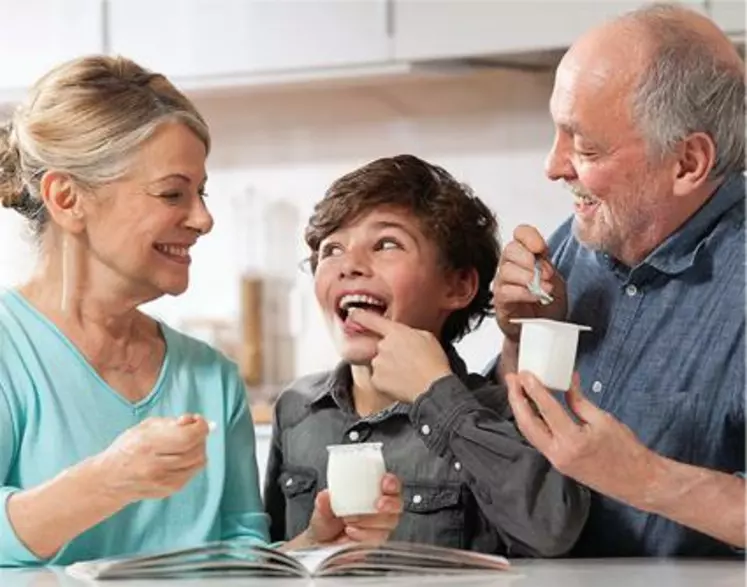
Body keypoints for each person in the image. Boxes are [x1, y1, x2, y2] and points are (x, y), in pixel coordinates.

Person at [0, 55, 401, 568]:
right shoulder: (11, 351)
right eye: (173, 193)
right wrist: (106, 481)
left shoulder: (210, 377)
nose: (203, 219)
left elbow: (236, 565)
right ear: (67, 197)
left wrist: (316, 550)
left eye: (200, 193)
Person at [490, 4, 745, 556]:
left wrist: (646, 479)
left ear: (687, 163)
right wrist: (518, 338)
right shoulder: (576, 239)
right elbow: (511, 451)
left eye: (584, 147)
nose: (553, 167)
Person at [264, 154, 589, 557]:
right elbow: (273, 564)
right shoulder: (296, 409)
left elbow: (552, 531)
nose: (348, 265)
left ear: (458, 286)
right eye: (331, 250)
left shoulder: (502, 412)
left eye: (386, 244)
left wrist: (438, 397)